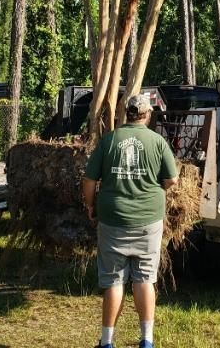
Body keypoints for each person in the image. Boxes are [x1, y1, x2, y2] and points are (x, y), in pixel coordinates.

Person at [83, 92, 178, 348]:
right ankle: (146, 340)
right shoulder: (157, 142)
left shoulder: (109, 140)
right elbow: (171, 179)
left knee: (114, 280)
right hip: (148, 220)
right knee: (144, 279)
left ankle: (106, 342)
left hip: (113, 219)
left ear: (127, 114)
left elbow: (89, 181)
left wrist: (90, 205)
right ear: (147, 115)